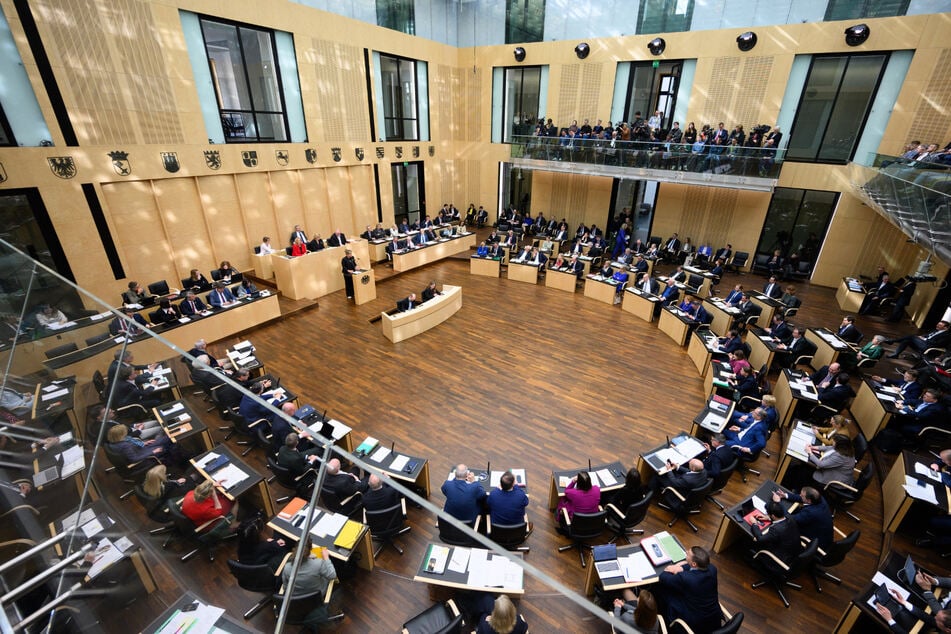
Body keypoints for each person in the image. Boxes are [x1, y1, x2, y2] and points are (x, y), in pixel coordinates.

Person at [654, 546, 720, 633]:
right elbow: (691, 567)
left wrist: (674, 566)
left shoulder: (686, 578)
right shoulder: (712, 569)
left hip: (694, 622)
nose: (686, 552)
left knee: (659, 588)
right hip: (713, 618)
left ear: (694, 564)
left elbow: (663, 577)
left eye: (688, 553)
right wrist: (682, 568)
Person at [750, 501, 801, 568]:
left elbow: (760, 538)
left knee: (755, 542)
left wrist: (754, 524)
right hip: (794, 550)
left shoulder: (776, 530)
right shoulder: (790, 517)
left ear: (773, 516)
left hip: (781, 557)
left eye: (768, 514)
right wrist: (769, 518)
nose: (767, 514)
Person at [106, 424, 176, 466]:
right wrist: (153, 452)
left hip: (139, 448)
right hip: (140, 454)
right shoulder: (125, 446)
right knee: (162, 447)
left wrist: (143, 443)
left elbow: (132, 441)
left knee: (164, 439)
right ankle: (170, 459)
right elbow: (134, 459)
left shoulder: (115, 439)